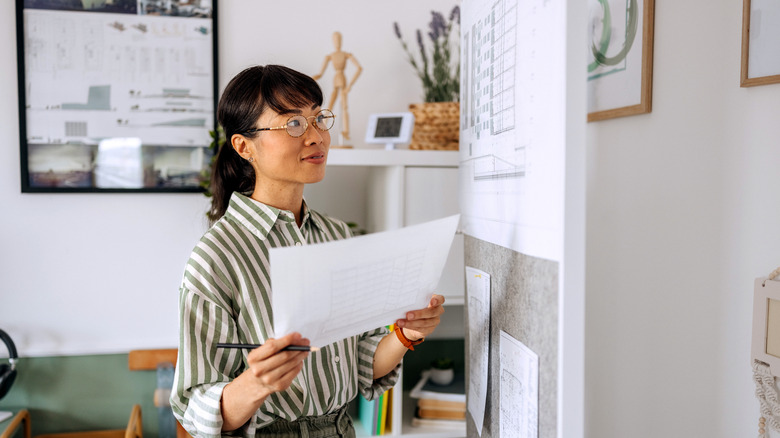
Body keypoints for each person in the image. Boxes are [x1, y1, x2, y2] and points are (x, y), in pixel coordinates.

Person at [170, 64, 445, 437]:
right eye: (293, 124)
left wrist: (405, 335)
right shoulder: (215, 258)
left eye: (318, 119)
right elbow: (195, 410)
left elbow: (362, 362)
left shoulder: (335, 235)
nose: (316, 136)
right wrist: (258, 382)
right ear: (243, 146)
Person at [312, 32, 362, 141]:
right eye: (335, 39)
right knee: (330, 105)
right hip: (336, 80)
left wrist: (350, 85)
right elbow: (320, 73)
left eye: (338, 39)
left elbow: (359, 68)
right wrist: (312, 79)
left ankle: (345, 131)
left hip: (343, 80)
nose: (337, 42)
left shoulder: (346, 54)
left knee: (344, 107)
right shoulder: (330, 56)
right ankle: (323, 128)